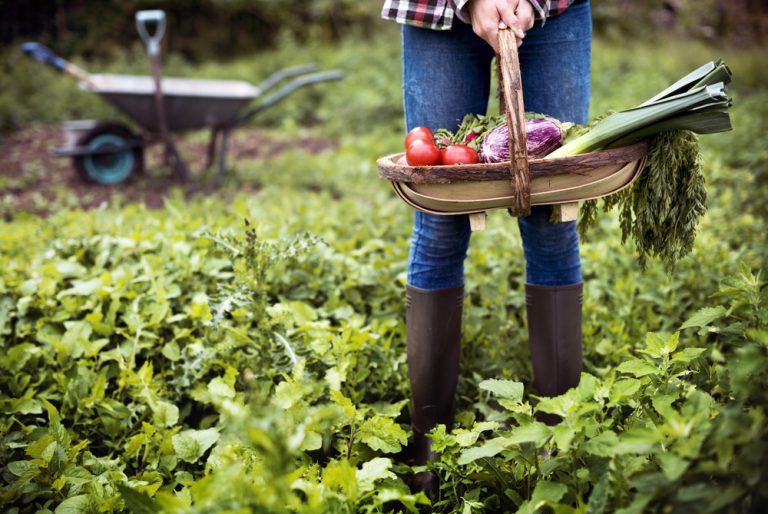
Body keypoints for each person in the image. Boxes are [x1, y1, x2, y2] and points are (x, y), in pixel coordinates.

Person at [380, 0, 592, 494]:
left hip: (552, 9)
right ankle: (429, 448)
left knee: (552, 214)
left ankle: (561, 440)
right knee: (441, 214)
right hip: (438, 10)